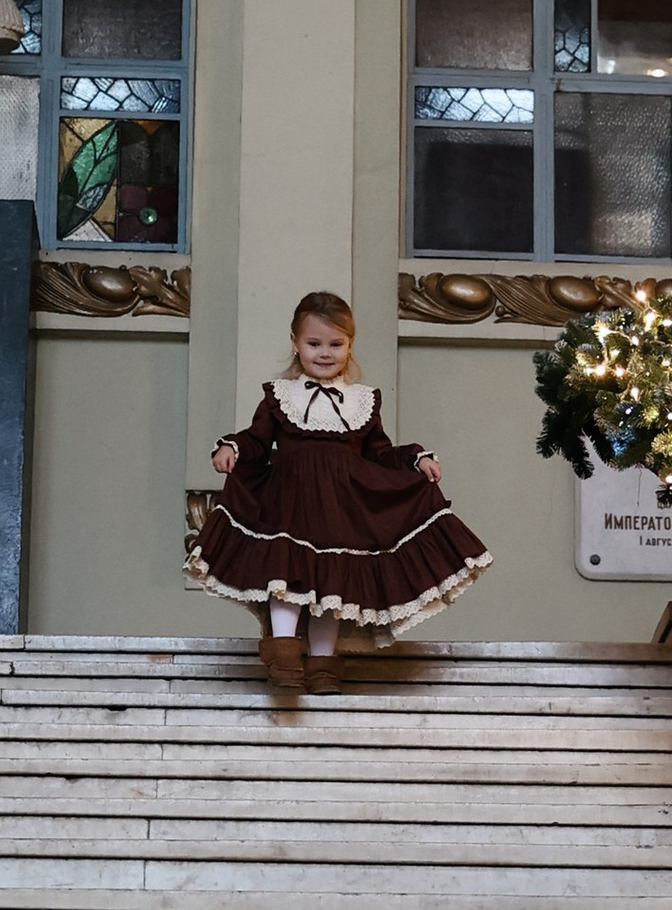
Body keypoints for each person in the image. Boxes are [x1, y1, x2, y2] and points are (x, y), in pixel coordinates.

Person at [195, 291, 490, 684]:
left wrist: (414, 458)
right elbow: (257, 440)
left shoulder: (362, 401)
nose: (325, 353)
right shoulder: (279, 397)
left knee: (331, 588)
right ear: (295, 344)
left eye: (336, 344)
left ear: (350, 345)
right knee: (287, 576)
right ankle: (283, 654)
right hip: (290, 502)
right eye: (314, 343)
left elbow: (379, 453)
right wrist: (232, 446)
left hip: (341, 508)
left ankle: (322, 664)